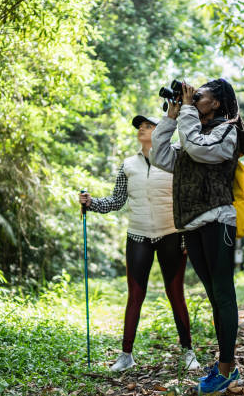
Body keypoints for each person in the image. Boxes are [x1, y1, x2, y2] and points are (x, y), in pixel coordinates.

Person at [150, 78, 244, 394]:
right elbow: (160, 155)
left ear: (218, 103)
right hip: (193, 225)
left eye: (199, 97)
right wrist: (171, 116)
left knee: (223, 294)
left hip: (218, 221)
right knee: (214, 296)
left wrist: (185, 114)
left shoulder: (228, 131)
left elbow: (198, 148)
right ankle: (229, 368)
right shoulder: (193, 131)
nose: (193, 101)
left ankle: (224, 370)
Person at [79, 115, 200, 372]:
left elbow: (188, 198)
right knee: (135, 295)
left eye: (148, 126)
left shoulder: (175, 159)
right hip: (138, 235)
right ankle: (126, 355)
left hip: (172, 234)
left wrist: (189, 234)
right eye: (140, 127)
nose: (142, 130)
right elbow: (117, 201)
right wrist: (91, 203)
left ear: (161, 132)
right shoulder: (128, 165)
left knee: (175, 293)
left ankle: (188, 352)